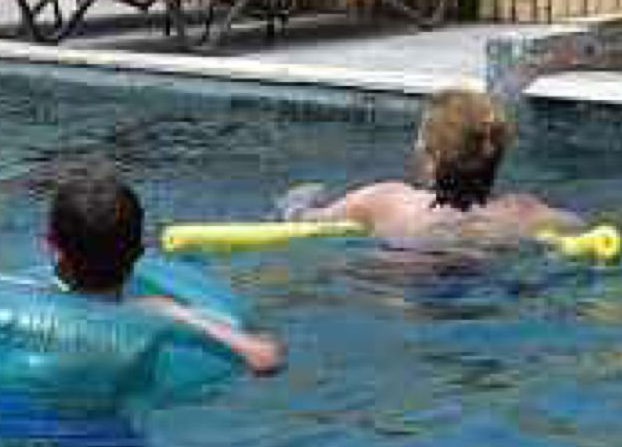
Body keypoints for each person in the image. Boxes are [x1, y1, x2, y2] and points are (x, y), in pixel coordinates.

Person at [47, 169, 286, 375]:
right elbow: (266, 358)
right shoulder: (151, 312)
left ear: (52, 246)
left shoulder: (26, 300)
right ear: (139, 253)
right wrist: (259, 331)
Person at [294, 91, 589, 251]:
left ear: (429, 158)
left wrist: (296, 203)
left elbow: (307, 223)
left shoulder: (385, 201)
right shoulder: (526, 213)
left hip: (402, 289)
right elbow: (579, 227)